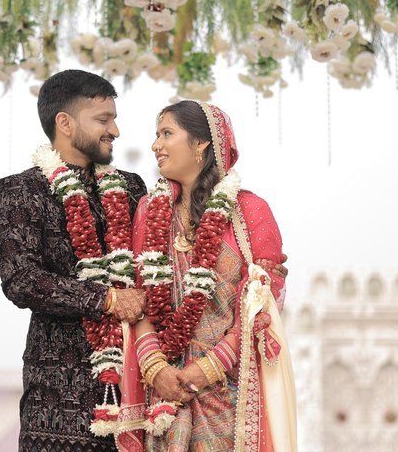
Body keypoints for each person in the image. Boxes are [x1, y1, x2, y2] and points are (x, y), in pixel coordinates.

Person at [117, 100, 297, 452]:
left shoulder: (250, 212)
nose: (155, 145)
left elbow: (261, 305)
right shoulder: (149, 211)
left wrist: (210, 367)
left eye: (166, 134)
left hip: (229, 393)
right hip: (165, 395)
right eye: (156, 135)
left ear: (201, 143)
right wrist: (156, 368)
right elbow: (138, 299)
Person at [0, 70, 149, 451]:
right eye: (103, 120)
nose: (115, 130)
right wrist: (106, 299)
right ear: (64, 123)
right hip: (57, 402)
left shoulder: (131, 188)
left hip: (136, 388)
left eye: (113, 119)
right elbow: (22, 279)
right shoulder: (20, 191)